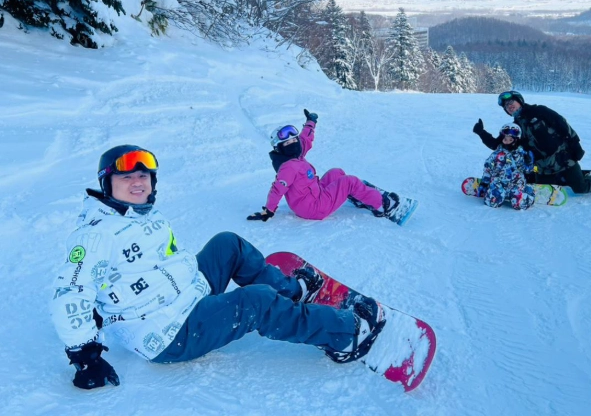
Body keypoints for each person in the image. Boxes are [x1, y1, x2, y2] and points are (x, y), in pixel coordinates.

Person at [50, 145, 386, 390]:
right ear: (107, 183)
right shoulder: (95, 235)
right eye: (126, 176)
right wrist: (85, 356)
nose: (137, 182)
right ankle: (345, 335)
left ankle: (292, 292)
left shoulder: (139, 213)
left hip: (185, 294)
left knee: (227, 244)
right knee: (255, 303)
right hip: (169, 333)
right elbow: (70, 292)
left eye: (144, 175)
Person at [247, 109, 405, 223]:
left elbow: (304, 139)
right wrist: (269, 210)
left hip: (314, 195)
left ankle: (359, 198)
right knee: (348, 181)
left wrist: (311, 122)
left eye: (293, 140)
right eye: (287, 143)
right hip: (313, 208)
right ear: (279, 148)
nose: (293, 143)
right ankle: (383, 206)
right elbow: (277, 189)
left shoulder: (295, 155)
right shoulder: (287, 167)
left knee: (336, 173)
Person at [473, 91, 591, 194]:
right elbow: (500, 145)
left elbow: (563, 126)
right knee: (544, 191)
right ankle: (563, 178)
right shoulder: (515, 129)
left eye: (511, 101)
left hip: (565, 160)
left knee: (580, 188)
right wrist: (481, 133)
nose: (510, 106)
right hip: (544, 169)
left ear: (519, 101)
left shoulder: (539, 111)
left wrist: (576, 145)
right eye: (506, 105)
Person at [475, 124, 536, 210]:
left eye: (510, 139)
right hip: (499, 182)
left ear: (516, 140)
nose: (507, 142)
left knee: (519, 204)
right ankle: (495, 193)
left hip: (516, 182)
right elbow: (488, 168)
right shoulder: (496, 154)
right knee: (491, 202)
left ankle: (529, 193)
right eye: (505, 139)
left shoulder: (522, 153)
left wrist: (529, 163)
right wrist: (485, 183)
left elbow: (529, 170)